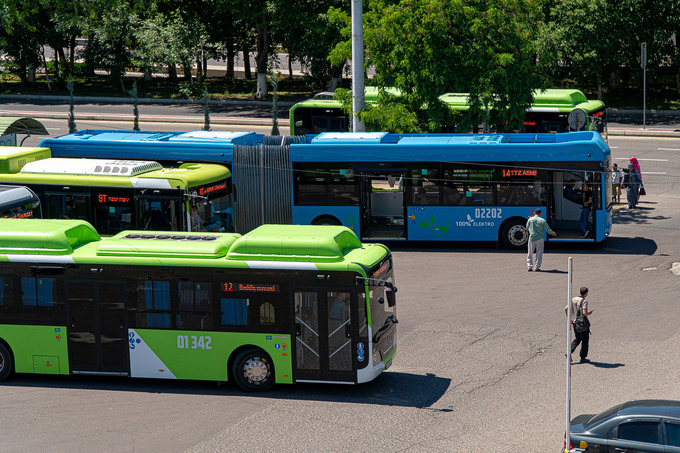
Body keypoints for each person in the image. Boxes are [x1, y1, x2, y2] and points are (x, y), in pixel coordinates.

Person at [565, 287, 593, 363]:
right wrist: (589, 313)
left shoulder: (573, 299)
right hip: (582, 323)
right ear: (586, 293)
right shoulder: (584, 301)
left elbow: (566, 308)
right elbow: (584, 313)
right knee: (585, 340)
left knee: (577, 338)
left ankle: (569, 352)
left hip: (574, 322)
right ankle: (583, 357)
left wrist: (570, 318)